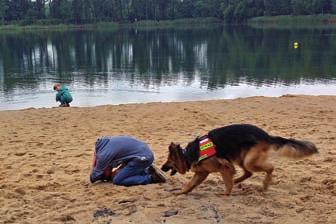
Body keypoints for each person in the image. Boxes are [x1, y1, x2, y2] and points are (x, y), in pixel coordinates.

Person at [90, 136, 166, 186]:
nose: (106, 178)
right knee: (122, 172)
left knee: (117, 180)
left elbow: (93, 178)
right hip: (144, 154)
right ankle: (147, 170)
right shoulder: (106, 144)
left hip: (142, 159)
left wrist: (94, 165)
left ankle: (151, 178)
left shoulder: (103, 156)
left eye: (104, 176)